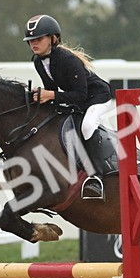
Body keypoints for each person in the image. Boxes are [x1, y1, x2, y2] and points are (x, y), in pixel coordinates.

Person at [23, 13, 114, 199]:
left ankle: (97, 178)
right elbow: (51, 90)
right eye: (31, 40)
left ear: (53, 38)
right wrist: (41, 97)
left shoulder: (67, 60)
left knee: (87, 126)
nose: (34, 43)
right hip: (77, 98)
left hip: (97, 97)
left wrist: (51, 95)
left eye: (39, 39)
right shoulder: (38, 61)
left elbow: (80, 95)